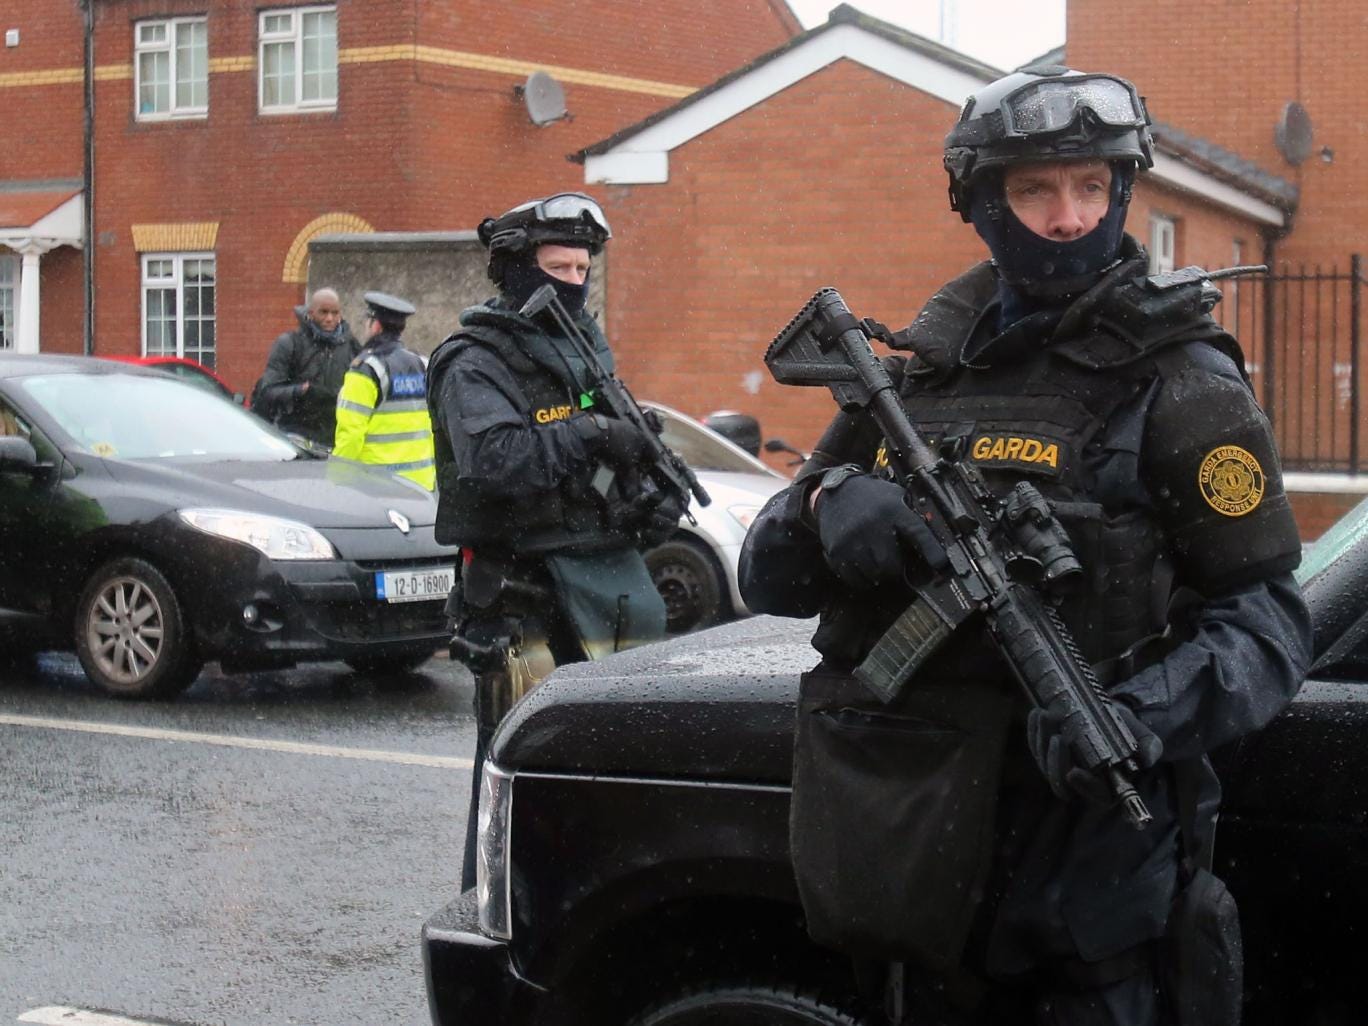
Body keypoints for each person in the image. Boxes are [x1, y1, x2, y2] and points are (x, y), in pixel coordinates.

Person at [739, 67, 1312, 1026]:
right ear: (982, 203)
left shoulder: (1182, 380)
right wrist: (826, 504)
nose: (1067, 217)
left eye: (1091, 185)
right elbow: (765, 575)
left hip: (1090, 892)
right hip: (918, 864)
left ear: (1122, 191)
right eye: (1035, 188)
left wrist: (1141, 714)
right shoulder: (918, 375)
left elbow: (1268, 625)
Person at [425, 192, 683, 890]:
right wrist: (593, 433)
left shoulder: (581, 351)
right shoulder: (475, 360)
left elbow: (591, 461)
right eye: (556, 267)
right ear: (517, 270)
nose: (573, 282)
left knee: (609, 780)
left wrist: (642, 492)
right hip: (522, 602)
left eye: (581, 269)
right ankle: (494, 916)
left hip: (599, 596)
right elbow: (496, 460)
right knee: (521, 777)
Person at [331, 291, 435, 490]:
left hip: (377, 485)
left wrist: (336, 479)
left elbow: (350, 435)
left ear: (376, 326)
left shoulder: (365, 370)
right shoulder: (421, 364)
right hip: (420, 484)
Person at [253, 288, 360, 447]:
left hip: (335, 437)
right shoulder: (289, 343)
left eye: (335, 313)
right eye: (323, 312)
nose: (329, 318)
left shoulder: (351, 346)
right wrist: (300, 391)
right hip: (296, 434)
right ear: (311, 313)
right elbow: (268, 391)